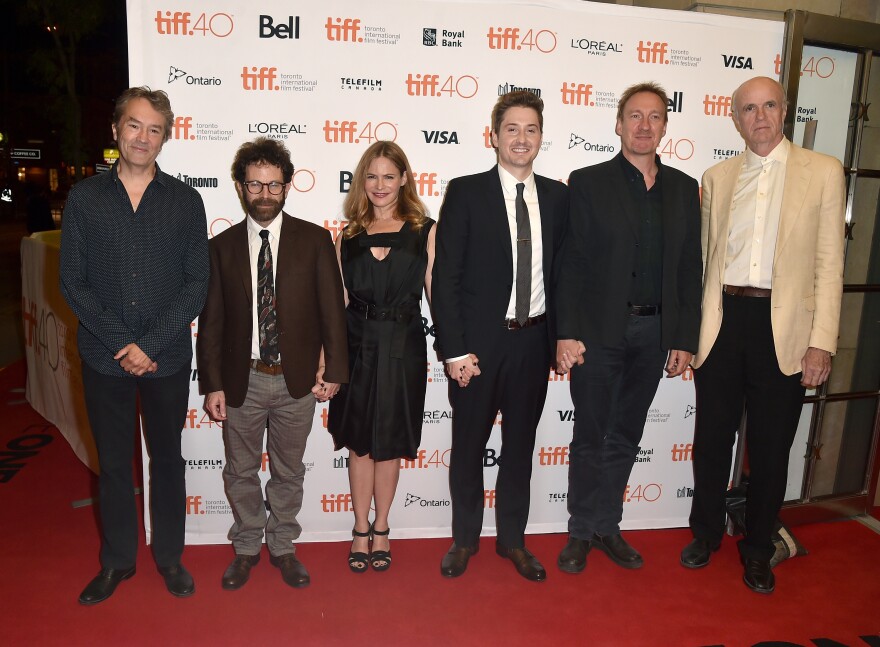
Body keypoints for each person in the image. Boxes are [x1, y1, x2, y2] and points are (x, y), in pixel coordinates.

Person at [682, 76, 845, 594]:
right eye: (748, 108)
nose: (759, 117)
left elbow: (829, 264)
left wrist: (822, 340)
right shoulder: (718, 176)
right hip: (725, 322)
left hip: (786, 328)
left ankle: (758, 549)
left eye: (768, 106)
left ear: (784, 110)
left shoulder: (822, 172)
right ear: (735, 117)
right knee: (710, 440)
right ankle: (705, 533)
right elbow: (706, 264)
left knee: (772, 449)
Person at [60, 87, 209, 604]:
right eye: (134, 125)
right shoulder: (84, 199)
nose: (143, 137)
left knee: (168, 460)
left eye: (154, 129)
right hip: (104, 357)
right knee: (113, 464)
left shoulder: (186, 201)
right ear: (116, 130)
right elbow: (72, 283)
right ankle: (118, 561)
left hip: (166, 358)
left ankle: (170, 557)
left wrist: (150, 343)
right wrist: (124, 343)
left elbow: (197, 283)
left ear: (165, 137)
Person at [555, 82, 702, 574]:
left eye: (654, 116)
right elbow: (571, 263)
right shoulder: (588, 181)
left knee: (625, 435)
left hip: (655, 332)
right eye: (635, 116)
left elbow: (688, 267)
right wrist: (567, 331)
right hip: (597, 333)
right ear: (618, 124)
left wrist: (684, 336)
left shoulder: (684, 189)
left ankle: (607, 526)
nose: (644, 125)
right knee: (591, 434)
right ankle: (579, 531)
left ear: (665, 126)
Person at [196, 137, 348, 590]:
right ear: (241, 187)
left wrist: (335, 369)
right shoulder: (220, 247)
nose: (265, 194)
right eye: (255, 185)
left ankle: (282, 545)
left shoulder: (315, 240)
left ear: (287, 187)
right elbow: (212, 323)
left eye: (273, 185)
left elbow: (331, 313)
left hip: (296, 382)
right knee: (239, 470)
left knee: (289, 470)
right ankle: (245, 546)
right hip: (242, 380)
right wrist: (213, 384)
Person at [432, 90, 568, 581]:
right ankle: (464, 539)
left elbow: (566, 275)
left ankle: (513, 541)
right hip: (478, 348)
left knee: (520, 449)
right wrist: (454, 349)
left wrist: (564, 336)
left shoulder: (557, 196)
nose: (522, 138)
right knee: (468, 446)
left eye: (531, 129)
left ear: (541, 138)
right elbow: (446, 277)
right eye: (512, 128)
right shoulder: (466, 191)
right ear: (494, 136)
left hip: (533, 343)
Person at [328, 141, 436, 573]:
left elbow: (435, 292)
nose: (379, 185)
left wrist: (458, 349)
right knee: (359, 441)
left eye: (389, 176)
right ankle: (359, 528)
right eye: (371, 176)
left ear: (405, 179)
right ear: (361, 182)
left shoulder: (425, 230)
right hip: (356, 343)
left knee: (388, 441)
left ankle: (384, 527)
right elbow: (337, 304)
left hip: (403, 343)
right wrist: (327, 360)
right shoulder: (347, 236)